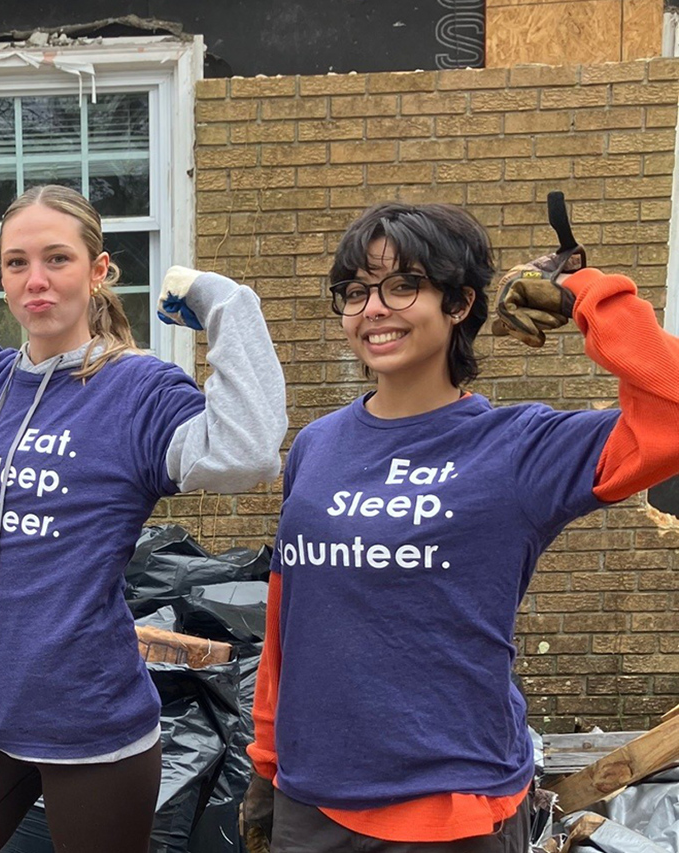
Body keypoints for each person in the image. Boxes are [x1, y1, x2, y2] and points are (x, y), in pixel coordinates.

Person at [0, 185, 288, 852]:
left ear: (97, 271)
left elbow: (247, 452)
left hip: (92, 731)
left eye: (58, 259)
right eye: (16, 262)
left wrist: (225, 304)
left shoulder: (138, 393)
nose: (35, 280)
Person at [242, 201, 679, 852]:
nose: (373, 308)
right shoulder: (317, 445)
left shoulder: (519, 448)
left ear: (459, 303)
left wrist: (585, 296)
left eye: (403, 285)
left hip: (453, 813)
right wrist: (265, 764)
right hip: (313, 802)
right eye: (355, 291)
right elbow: (289, 618)